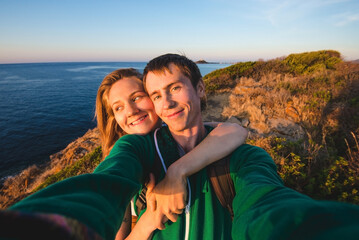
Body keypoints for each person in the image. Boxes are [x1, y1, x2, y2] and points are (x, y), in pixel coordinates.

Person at [5, 54, 359, 240]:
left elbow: (268, 207)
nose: (166, 102)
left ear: (201, 89)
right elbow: (101, 188)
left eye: (174, 88)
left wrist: (178, 170)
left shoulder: (241, 153)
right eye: (157, 94)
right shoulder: (135, 151)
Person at [94, 68, 248, 239]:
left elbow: (234, 131)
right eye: (118, 108)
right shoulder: (124, 159)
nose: (130, 111)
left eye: (136, 97)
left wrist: (176, 171)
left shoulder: (182, 137)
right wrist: (148, 221)